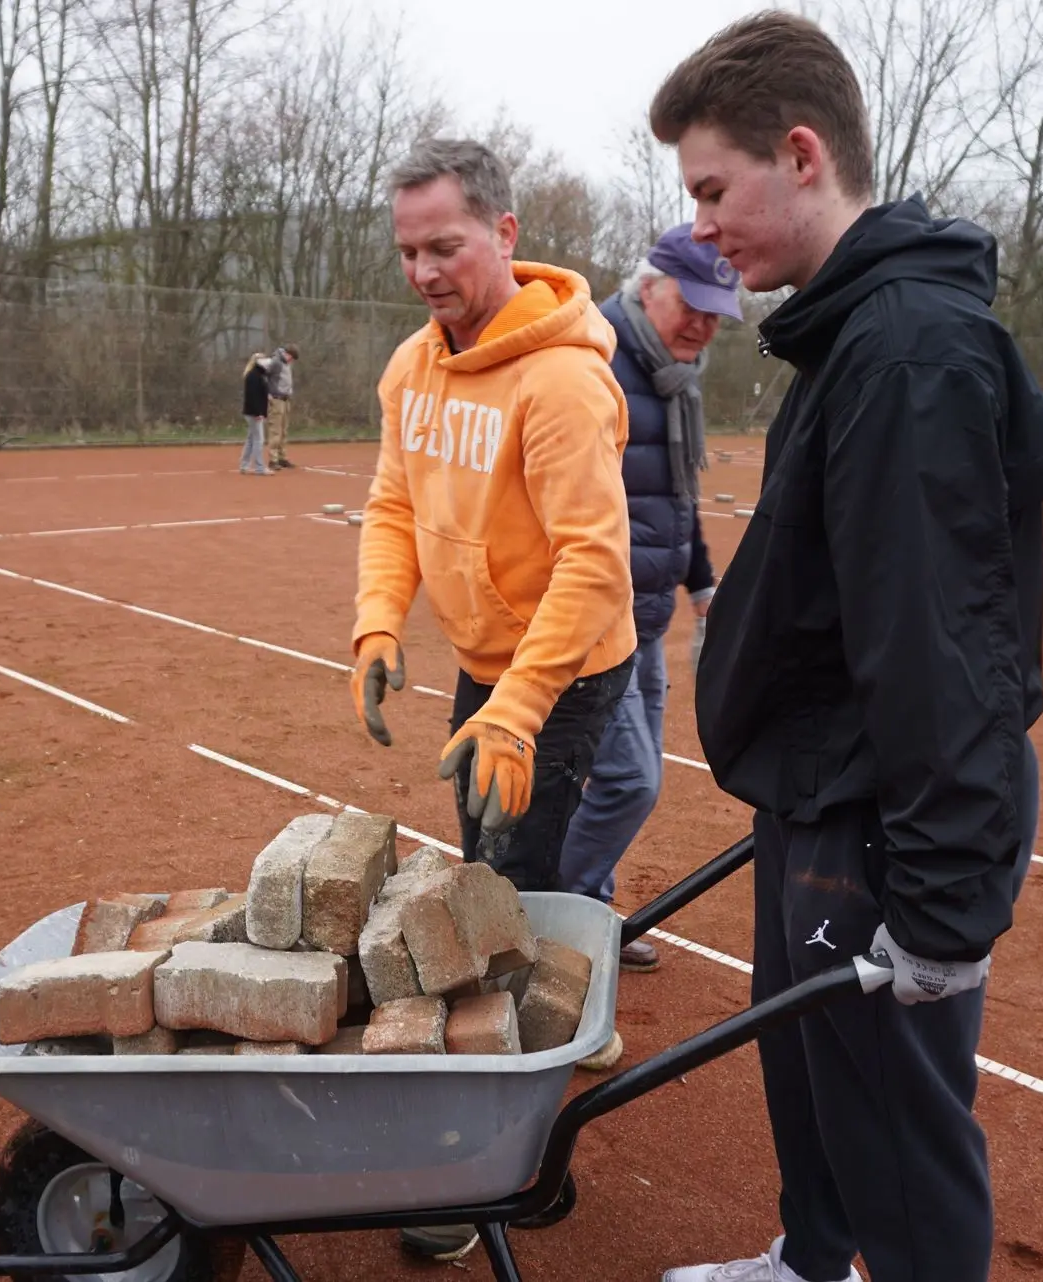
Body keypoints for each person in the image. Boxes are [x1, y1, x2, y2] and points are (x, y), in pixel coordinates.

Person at [649, 13, 1043, 1282]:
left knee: (898, 1126)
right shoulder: (850, 331)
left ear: (801, 154)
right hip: (820, 786)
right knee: (814, 1071)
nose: (701, 226)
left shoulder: (907, 352)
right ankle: (812, 1259)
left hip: (882, 817)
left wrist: (942, 904)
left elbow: (943, 648)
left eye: (712, 190)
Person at [349, 138, 638, 1261]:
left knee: (509, 881)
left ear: (505, 234)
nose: (423, 271)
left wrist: (519, 707)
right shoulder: (410, 369)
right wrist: (380, 621)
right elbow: (391, 505)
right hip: (488, 663)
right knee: (491, 861)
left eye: (445, 246)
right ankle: (564, 1017)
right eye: (407, 251)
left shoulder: (561, 380)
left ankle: (486, 1154)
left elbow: (594, 564)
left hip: (564, 670)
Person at [557, 223, 738, 983]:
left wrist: (702, 581)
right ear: (650, 286)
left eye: (716, 313)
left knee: (619, 775)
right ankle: (554, 920)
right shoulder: (593, 359)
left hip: (649, 612)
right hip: (597, 616)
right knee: (631, 779)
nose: (703, 324)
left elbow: (674, 494)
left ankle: (588, 908)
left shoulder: (673, 376)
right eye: (692, 305)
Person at [264, 344, 299, 469]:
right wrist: (267, 393)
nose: (291, 361)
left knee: (284, 430)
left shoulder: (287, 364)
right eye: (291, 358)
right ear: (287, 354)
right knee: (276, 430)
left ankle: (282, 457)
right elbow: (263, 376)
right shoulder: (275, 362)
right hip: (276, 399)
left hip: (285, 399)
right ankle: (273, 460)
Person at [239, 353, 272, 475]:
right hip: (253, 413)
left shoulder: (260, 375)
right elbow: (253, 397)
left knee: (251, 439)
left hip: (253, 412)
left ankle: (244, 465)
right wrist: (258, 412)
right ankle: (260, 467)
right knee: (259, 440)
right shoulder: (253, 376)